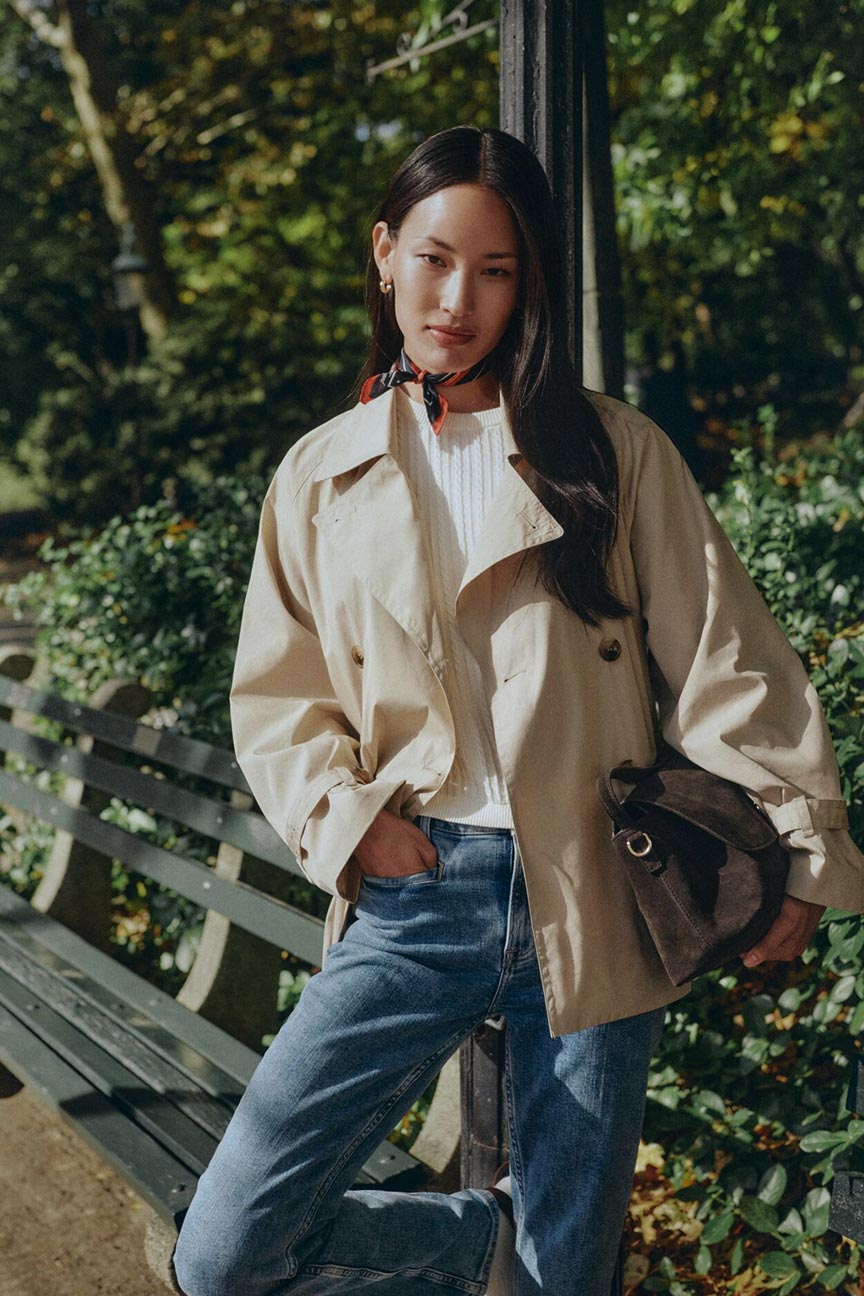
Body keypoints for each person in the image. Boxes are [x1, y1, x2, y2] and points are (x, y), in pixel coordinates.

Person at [172, 125, 864, 1296]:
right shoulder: (321, 474)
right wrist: (350, 825)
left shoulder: (613, 453)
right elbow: (281, 696)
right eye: (436, 260)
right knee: (225, 1251)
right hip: (415, 892)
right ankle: (470, 1240)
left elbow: (726, 658)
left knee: (564, 1276)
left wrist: (805, 844)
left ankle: (523, 1253)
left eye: (496, 271)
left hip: (595, 888)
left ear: (529, 283)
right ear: (384, 253)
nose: (458, 300)